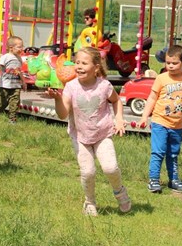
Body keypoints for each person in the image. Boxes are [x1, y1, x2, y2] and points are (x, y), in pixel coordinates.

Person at [49, 47, 132, 216]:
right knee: (88, 172)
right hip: (80, 137)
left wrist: (119, 119)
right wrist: (57, 100)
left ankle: (120, 192)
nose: (79, 66)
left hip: (103, 134)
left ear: (96, 67)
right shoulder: (71, 87)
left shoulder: (104, 86)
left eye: (84, 63)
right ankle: (90, 201)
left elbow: (116, 101)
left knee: (110, 168)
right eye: (77, 62)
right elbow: (63, 114)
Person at [139, 44, 182, 193]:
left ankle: (174, 180)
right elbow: (152, 98)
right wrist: (144, 116)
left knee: (173, 153)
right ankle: (154, 180)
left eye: (175, 63)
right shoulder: (161, 78)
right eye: (168, 63)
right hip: (160, 121)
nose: (170, 66)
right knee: (158, 152)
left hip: (177, 125)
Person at [0, 35, 25, 124]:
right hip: (5, 85)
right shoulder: (6, 57)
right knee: (1, 104)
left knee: (15, 103)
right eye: (19, 47)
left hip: (16, 86)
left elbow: (19, 71)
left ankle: (12, 120)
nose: (21, 49)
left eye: (22, 46)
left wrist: (23, 82)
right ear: (11, 48)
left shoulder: (19, 58)